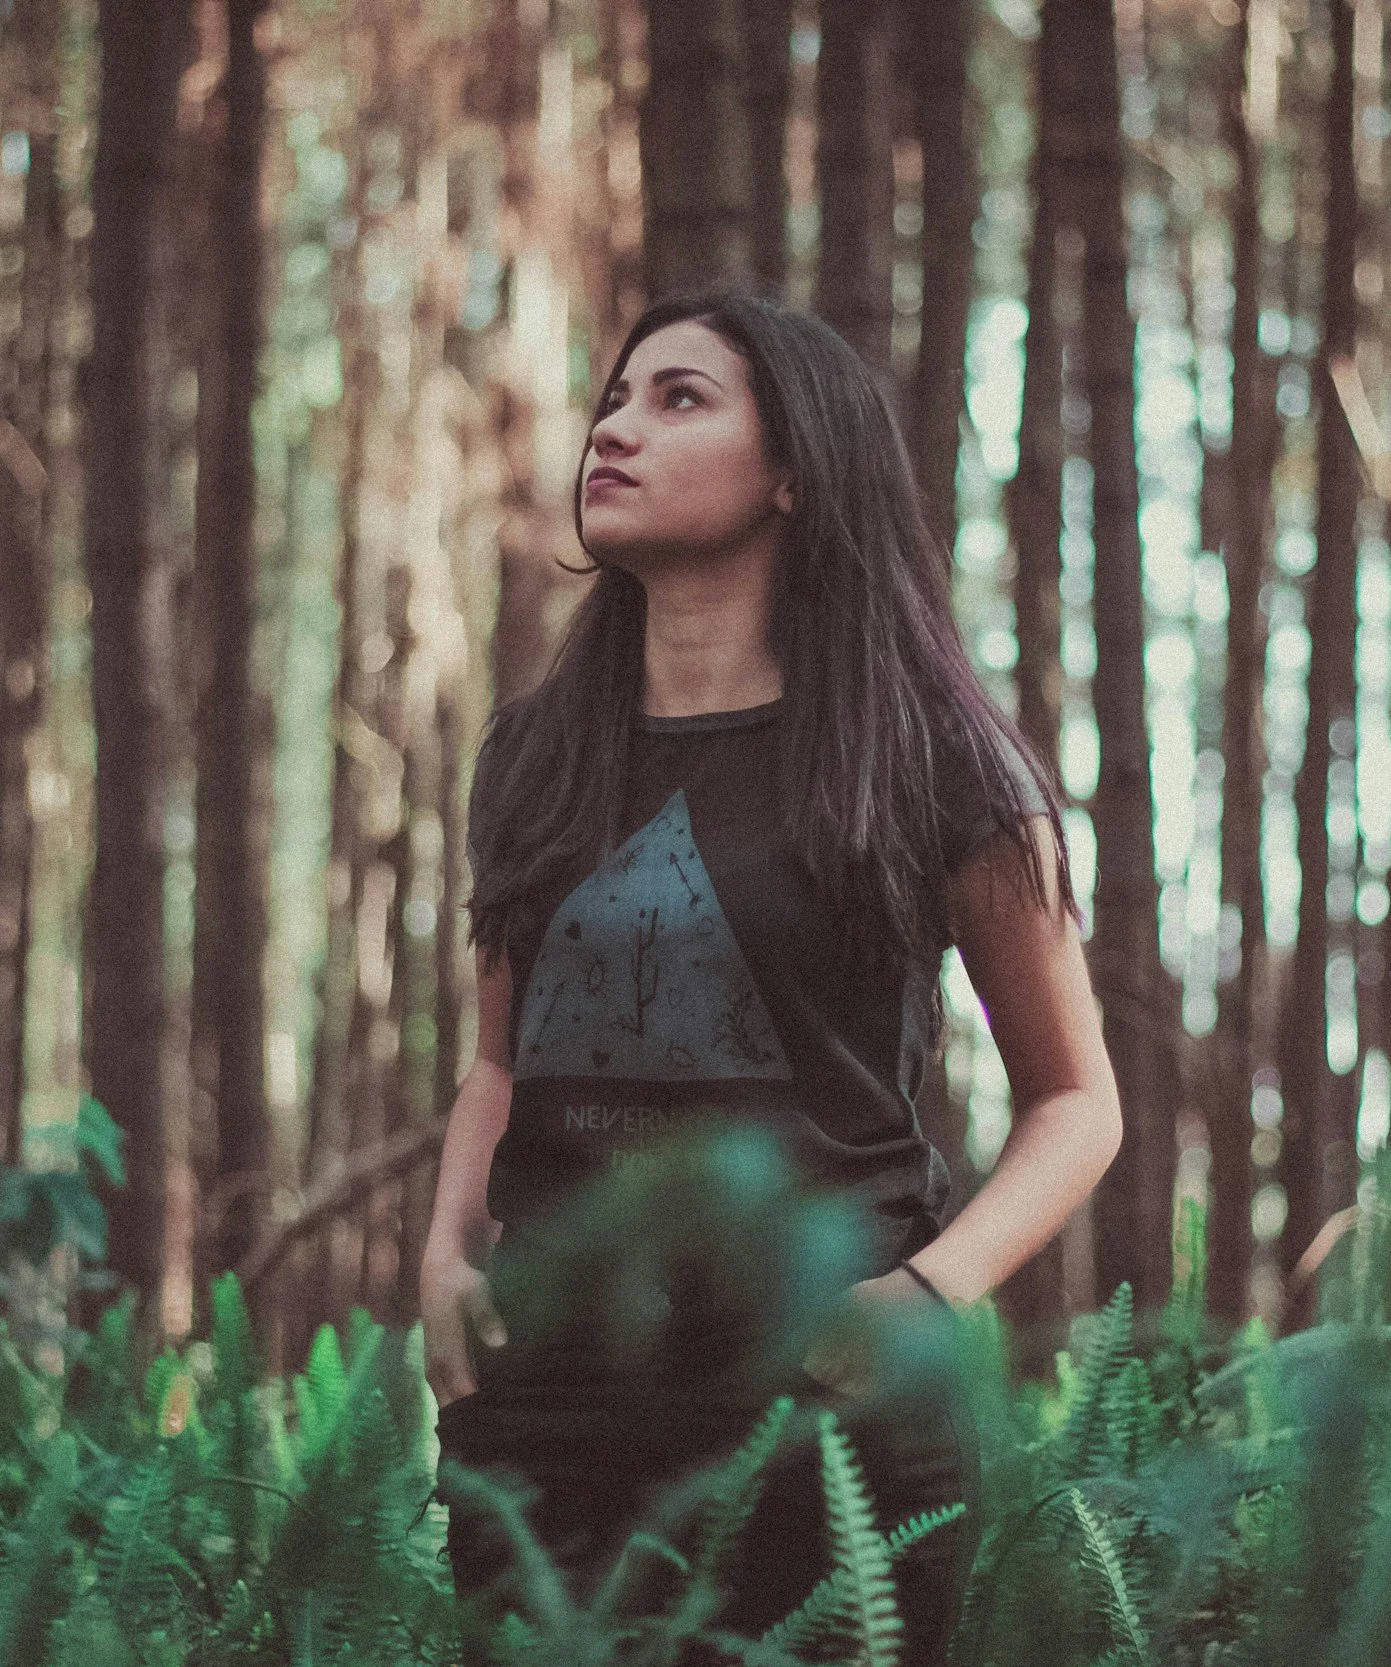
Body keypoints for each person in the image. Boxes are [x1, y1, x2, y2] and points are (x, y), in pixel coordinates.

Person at [418, 291, 1126, 1666]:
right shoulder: (534, 754)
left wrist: (924, 1295)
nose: (615, 427)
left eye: (680, 399)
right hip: (549, 1412)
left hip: (827, 1403)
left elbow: (1078, 1100)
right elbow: (501, 1062)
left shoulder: (934, 759)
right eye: (616, 398)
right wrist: (446, 1252)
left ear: (797, 469)